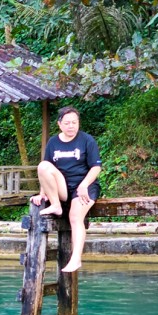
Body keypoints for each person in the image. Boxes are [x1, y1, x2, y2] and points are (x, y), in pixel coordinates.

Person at [30, 106, 102, 273]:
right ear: (60, 124)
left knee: (75, 217)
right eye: (67, 123)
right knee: (42, 165)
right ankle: (55, 204)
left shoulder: (87, 140)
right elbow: (47, 170)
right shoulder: (53, 142)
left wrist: (84, 185)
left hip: (85, 186)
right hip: (62, 187)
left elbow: (96, 168)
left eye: (74, 122)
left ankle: (75, 259)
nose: (71, 126)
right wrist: (42, 194)